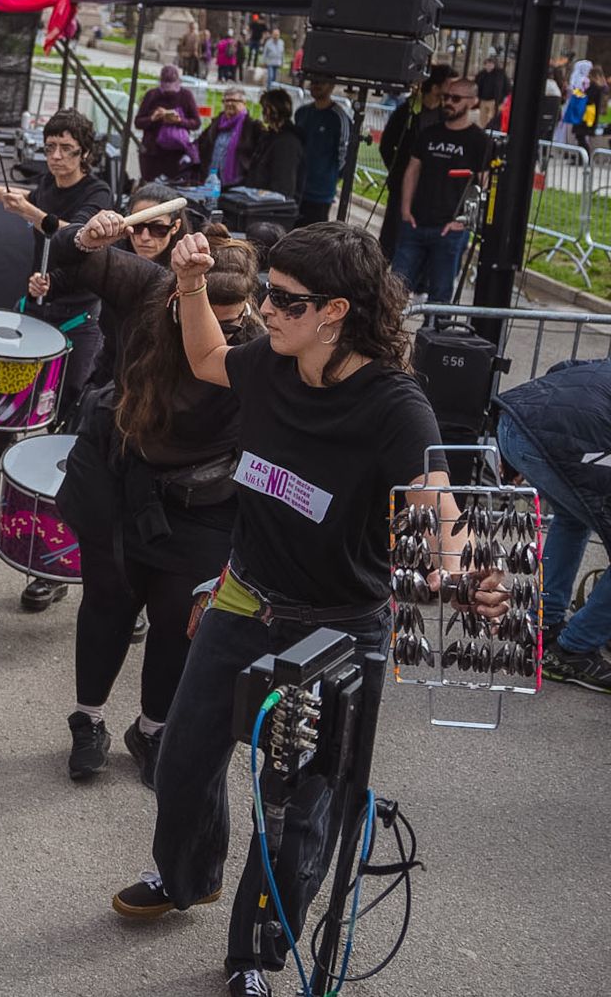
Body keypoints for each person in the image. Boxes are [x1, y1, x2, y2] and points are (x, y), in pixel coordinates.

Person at [116, 221, 500, 997]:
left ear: (336, 312)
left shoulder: (397, 409)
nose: (264, 309)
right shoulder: (269, 364)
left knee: (297, 812)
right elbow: (204, 358)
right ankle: (189, 877)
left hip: (336, 629)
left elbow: (438, 514)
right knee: (183, 766)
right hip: (244, 599)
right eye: (265, 292)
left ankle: (255, 954)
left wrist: (466, 580)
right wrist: (191, 284)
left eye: (284, 300)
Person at [30, 210, 262, 786]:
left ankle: (152, 728)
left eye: (231, 324)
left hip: (204, 496)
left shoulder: (259, 344)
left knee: (175, 617)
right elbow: (72, 257)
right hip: (119, 474)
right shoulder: (149, 286)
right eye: (206, 315)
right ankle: (87, 720)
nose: (218, 335)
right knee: (109, 602)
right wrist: (86, 234)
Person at [0, 110, 113, 610]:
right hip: (39, 306)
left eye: (66, 148)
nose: (57, 157)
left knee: (66, 420)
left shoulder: (98, 195)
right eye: (50, 147)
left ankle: (55, 554)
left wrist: (33, 215)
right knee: (8, 389)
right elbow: (13, 200)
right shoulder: (45, 182)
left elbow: (80, 236)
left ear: (85, 152)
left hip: (79, 317)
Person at [496, 359, 611, 692]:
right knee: (579, 514)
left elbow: (562, 367)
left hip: (517, 419)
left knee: (573, 519)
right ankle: (573, 650)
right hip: (552, 440)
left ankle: (544, 621)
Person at [392, 77, 490, 305]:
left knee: (441, 295)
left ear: (472, 102)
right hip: (416, 223)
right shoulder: (430, 134)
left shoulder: (479, 141)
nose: (448, 102)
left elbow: (484, 185)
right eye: (446, 96)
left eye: (456, 98)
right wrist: (406, 210)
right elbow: (412, 170)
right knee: (394, 288)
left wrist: (464, 221)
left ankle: (433, 336)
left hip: (450, 229)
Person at [377, 65, 453, 259]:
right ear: (435, 87)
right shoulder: (407, 111)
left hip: (430, 192)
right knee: (391, 237)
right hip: (402, 186)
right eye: (448, 84)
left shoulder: (444, 117)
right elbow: (386, 145)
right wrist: (398, 172)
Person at [292, 78, 349, 224]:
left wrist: (331, 177)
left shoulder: (339, 117)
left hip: (320, 191)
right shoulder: (302, 112)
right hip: (296, 188)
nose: (316, 85)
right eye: (313, 82)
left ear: (331, 86)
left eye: (320, 82)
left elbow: (345, 153)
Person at [136, 65, 201, 184]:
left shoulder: (186, 96)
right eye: (165, 84)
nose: (169, 88)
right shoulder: (152, 95)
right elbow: (138, 122)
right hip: (152, 152)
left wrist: (179, 121)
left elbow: (196, 123)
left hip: (176, 152)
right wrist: (153, 118)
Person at [240, 88, 302, 200]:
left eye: (265, 108)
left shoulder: (287, 142)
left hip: (270, 207)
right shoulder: (270, 136)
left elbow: (283, 187)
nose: (263, 113)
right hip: (259, 201)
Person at [195, 86, 256, 188]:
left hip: (237, 184)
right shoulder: (217, 123)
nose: (229, 104)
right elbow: (201, 143)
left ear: (244, 104)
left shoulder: (251, 127)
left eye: (234, 100)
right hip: (211, 181)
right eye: (226, 100)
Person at [474, 56, 508, 129]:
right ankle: (483, 130)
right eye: (487, 64)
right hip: (483, 100)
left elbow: (506, 86)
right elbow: (476, 85)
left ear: (494, 65)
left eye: (491, 64)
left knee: (492, 118)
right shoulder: (481, 74)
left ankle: (490, 130)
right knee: (482, 118)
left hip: (494, 100)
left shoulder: (500, 74)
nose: (489, 65)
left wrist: (503, 98)